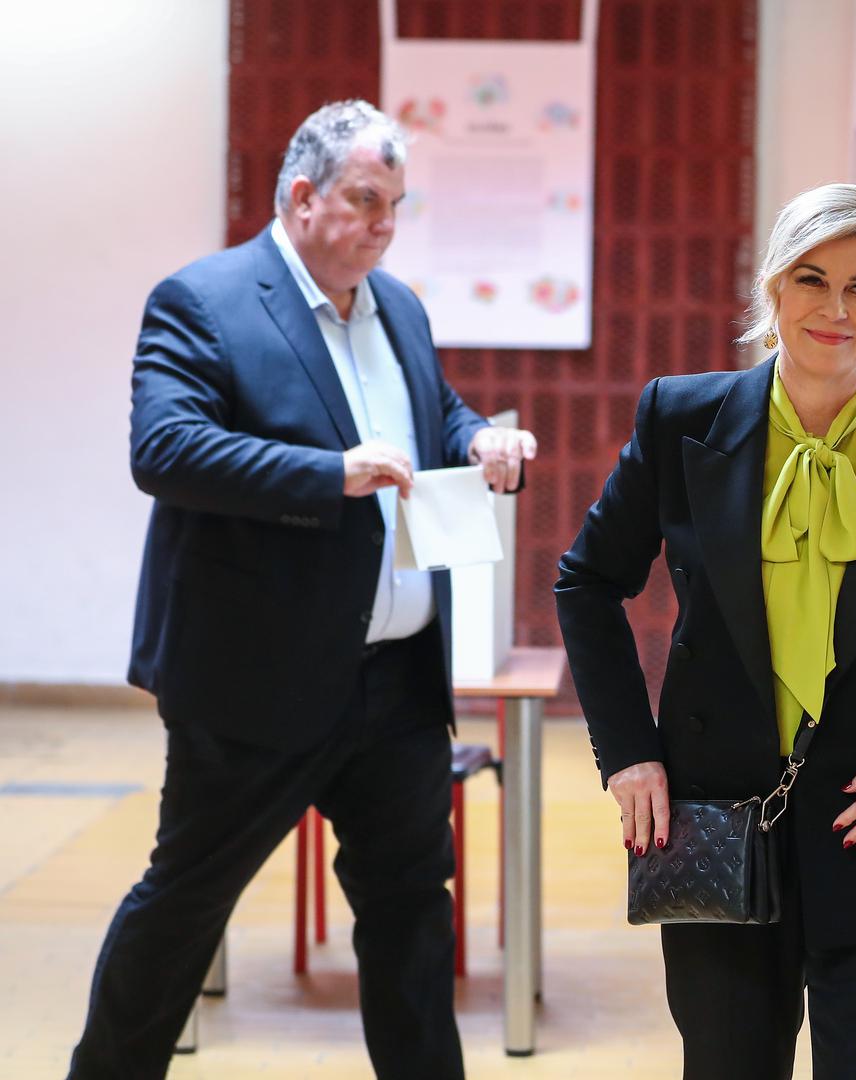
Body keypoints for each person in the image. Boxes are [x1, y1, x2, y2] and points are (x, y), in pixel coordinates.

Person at [67, 100, 536, 1079]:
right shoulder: (204, 300)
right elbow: (165, 449)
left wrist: (473, 441)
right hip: (256, 678)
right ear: (302, 195)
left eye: (396, 205)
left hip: (396, 681)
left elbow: (433, 409)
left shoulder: (398, 305)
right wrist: (329, 474)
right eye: (365, 200)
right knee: (187, 902)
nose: (383, 224)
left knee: (412, 913)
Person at [555, 182, 856, 1080]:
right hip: (712, 819)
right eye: (811, 279)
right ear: (771, 288)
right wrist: (628, 754)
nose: (835, 308)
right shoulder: (679, 419)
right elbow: (586, 581)